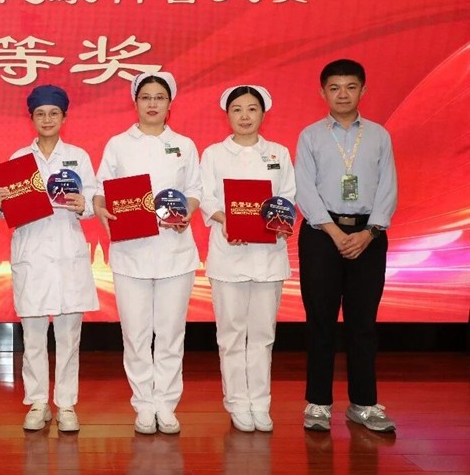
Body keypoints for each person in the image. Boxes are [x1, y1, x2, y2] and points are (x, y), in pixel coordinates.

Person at [93, 72, 202, 435]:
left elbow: (195, 189)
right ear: (136, 102)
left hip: (175, 252)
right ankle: (143, 404)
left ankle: (166, 404)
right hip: (130, 253)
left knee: (170, 333)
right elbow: (101, 189)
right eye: (146, 97)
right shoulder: (118, 144)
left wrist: (187, 212)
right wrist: (101, 207)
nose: (153, 103)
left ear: (170, 103)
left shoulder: (184, 145)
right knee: (136, 334)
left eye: (159, 97)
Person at [295, 59, 398, 433]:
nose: (343, 94)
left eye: (351, 87)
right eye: (334, 88)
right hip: (321, 237)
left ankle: (364, 404)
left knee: (363, 323)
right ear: (322, 92)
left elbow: (388, 187)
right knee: (320, 321)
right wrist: (336, 234)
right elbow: (304, 189)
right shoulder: (310, 136)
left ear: (363, 91)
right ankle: (318, 403)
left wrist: (369, 233)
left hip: (368, 236)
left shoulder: (379, 136)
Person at [0, 84, 99, 433]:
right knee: (33, 336)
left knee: (69, 336)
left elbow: (94, 199)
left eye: (54, 113)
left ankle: (66, 404)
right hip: (32, 254)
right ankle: (38, 402)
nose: (47, 119)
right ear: (32, 118)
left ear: (64, 117)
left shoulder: (79, 156)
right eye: (40, 114)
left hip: (68, 253)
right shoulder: (19, 158)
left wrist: (84, 205)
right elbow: (6, 208)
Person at [199, 85, 295, 433]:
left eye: (252, 109)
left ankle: (261, 403)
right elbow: (207, 197)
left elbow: (287, 196)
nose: (244, 116)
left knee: (263, 334)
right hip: (229, 255)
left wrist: (281, 224)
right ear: (227, 115)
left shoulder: (279, 153)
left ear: (263, 114)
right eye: (237, 109)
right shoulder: (213, 154)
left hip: (268, 256)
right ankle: (238, 402)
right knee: (231, 333)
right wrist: (229, 221)